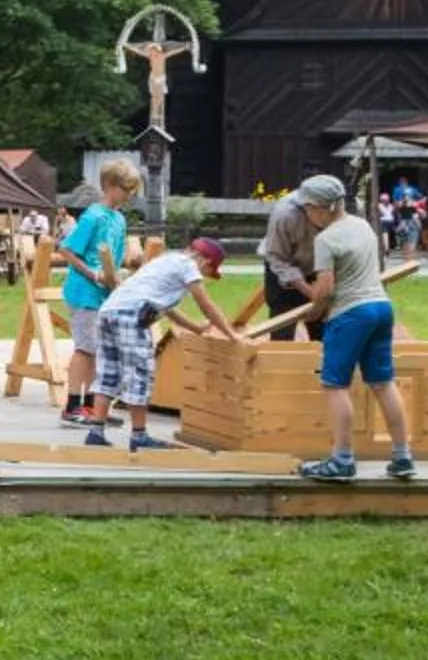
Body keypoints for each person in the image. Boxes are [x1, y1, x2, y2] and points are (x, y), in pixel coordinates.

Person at [296, 182, 414, 482]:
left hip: (350, 314)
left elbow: (325, 288)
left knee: (335, 384)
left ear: (326, 207)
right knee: (383, 382)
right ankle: (402, 457)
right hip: (380, 307)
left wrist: (315, 312)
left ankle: (342, 460)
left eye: (309, 208)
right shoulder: (363, 226)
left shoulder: (326, 239)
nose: (307, 214)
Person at [89, 237, 234, 451]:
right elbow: (206, 304)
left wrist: (196, 328)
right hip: (131, 316)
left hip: (109, 312)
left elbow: (166, 308)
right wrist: (231, 334)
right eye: (207, 271)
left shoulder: (165, 261)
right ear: (204, 261)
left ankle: (96, 433)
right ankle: (139, 437)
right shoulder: (188, 266)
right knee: (140, 373)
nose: (203, 276)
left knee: (109, 373)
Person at [56, 161, 139, 428]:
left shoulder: (118, 219)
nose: (130, 195)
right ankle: (71, 406)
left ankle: (92, 406)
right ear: (110, 186)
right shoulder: (93, 216)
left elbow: (115, 257)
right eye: (126, 190)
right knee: (85, 349)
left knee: (98, 350)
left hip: (104, 296)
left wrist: (122, 269)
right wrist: (93, 274)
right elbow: (67, 250)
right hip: (84, 293)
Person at [258, 175, 342, 341]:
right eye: (325, 210)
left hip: (316, 269)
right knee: (282, 329)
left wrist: (323, 294)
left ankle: (323, 366)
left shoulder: (336, 208)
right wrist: (310, 292)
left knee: (324, 331)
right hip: (282, 269)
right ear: (310, 206)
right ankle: (280, 365)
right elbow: (277, 258)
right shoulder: (285, 215)